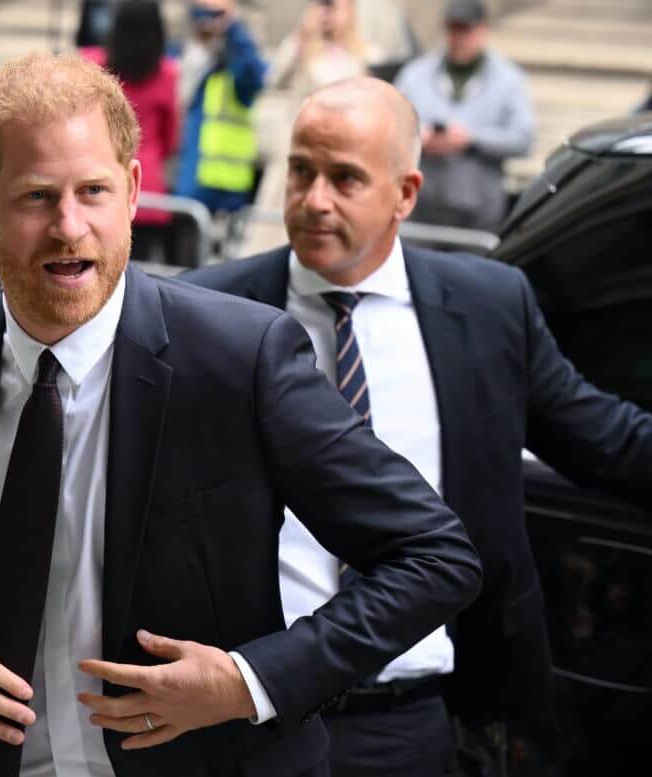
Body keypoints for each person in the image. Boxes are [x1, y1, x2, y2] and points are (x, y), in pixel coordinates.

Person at [0, 53, 482, 777]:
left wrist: (248, 682)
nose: (70, 227)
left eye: (94, 191)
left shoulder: (241, 359)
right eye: (38, 197)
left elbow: (432, 554)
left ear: (134, 190)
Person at [184, 77, 652, 776]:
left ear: (405, 194)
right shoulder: (206, 312)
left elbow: (608, 440)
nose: (314, 200)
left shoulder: (489, 309)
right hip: (249, 721)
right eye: (301, 171)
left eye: (345, 178)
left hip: (414, 721)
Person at [394, 0, 533, 232]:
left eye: (465, 30)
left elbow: (523, 139)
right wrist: (419, 138)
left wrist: (471, 139)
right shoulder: (415, 75)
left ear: (483, 30)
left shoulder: (509, 80)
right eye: (452, 29)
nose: (458, 38)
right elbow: (391, 126)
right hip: (422, 210)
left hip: (478, 214)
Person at [246, 0, 367, 255]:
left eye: (333, 6)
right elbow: (273, 78)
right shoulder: (302, 47)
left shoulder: (360, 56)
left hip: (339, 156)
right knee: (273, 233)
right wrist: (302, 37)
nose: (328, 13)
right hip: (296, 154)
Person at [81, 0, 180, 265]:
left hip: (97, 183)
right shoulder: (169, 74)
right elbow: (171, 138)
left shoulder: (90, 65)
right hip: (147, 190)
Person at [174, 0, 266, 215]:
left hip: (228, 189)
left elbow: (255, 76)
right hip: (189, 184)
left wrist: (233, 26)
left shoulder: (236, 62)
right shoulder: (181, 55)